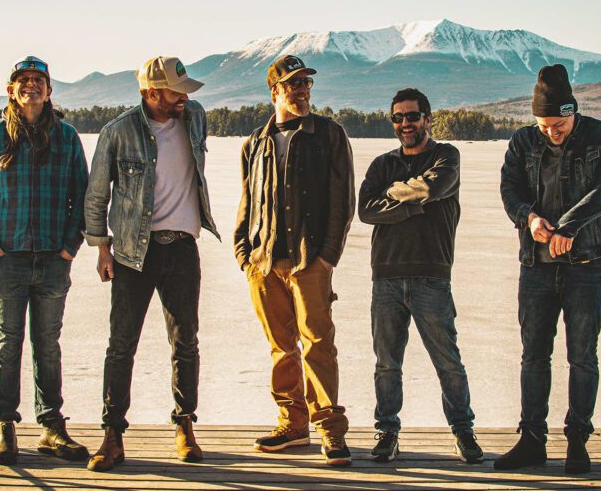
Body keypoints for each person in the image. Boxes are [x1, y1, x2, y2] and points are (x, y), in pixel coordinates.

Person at [83, 56, 219, 471]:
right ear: (150, 92)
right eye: (176, 91)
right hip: (132, 253)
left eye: (185, 91)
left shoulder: (194, 117)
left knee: (185, 342)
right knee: (121, 345)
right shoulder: (118, 131)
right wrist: (102, 248)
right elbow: (96, 196)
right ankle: (112, 433)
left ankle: (184, 424)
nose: (184, 98)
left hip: (181, 249)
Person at [0, 55, 90, 465]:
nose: (31, 85)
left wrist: (70, 246)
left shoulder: (67, 137)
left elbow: (82, 197)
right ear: (11, 89)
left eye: (39, 80)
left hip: (53, 259)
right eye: (23, 80)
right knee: (8, 343)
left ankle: (51, 427)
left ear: (49, 90)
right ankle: (5, 427)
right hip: (9, 260)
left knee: (48, 345)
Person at [495, 64, 601, 474]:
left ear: (574, 111)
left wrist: (568, 227)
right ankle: (532, 440)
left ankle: (577, 443)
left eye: (559, 123)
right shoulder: (521, 142)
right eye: (545, 125)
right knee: (534, 355)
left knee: (582, 355)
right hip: (536, 267)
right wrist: (529, 219)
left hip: (586, 265)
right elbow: (509, 189)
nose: (552, 132)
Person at [233, 54, 355, 466]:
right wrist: (244, 254)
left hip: (309, 262)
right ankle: (292, 424)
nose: (302, 91)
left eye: (306, 84)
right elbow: (247, 202)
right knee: (281, 349)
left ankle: (330, 431)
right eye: (293, 84)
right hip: (264, 263)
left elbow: (342, 201)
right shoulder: (256, 142)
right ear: (275, 92)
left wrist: (327, 258)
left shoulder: (329, 134)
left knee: (319, 346)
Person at [358, 88, 483, 464]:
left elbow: (433, 186)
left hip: (432, 276)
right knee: (386, 363)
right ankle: (387, 431)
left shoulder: (447, 156)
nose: (405, 124)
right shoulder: (382, 164)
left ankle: (463, 430)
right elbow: (365, 209)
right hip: (386, 279)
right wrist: (413, 207)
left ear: (428, 118)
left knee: (448, 362)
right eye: (397, 118)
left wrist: (395, 199)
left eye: (412, 116)